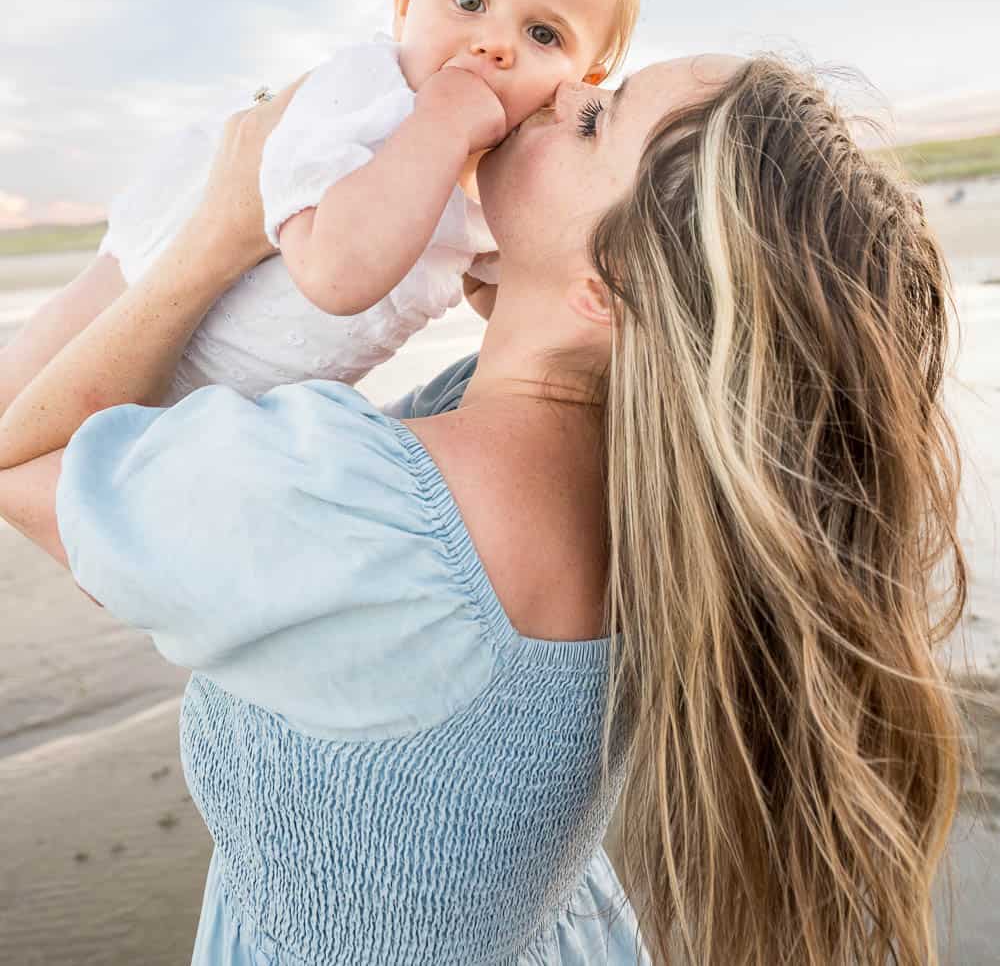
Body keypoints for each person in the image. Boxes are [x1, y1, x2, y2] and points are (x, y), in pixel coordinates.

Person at [0, 53, 971, 965]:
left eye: (595, 118)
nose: (556, 91)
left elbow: (26, 457)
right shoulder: (664, 485)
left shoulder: (370, 514)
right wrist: (499, 307)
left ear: (609, 291)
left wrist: (207, 236)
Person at [0, 0, 641, 411]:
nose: (494, 43)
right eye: (469, 1)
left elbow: (521, 318)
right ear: (403, 4)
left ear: (581, 84)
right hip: (141, 285)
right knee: (18, 395)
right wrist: (440, 123)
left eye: (543, 35)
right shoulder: (366, 94)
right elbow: (335, 273)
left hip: (220, 416)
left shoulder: (505, 191)